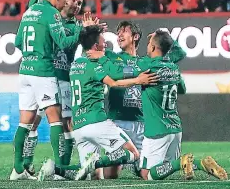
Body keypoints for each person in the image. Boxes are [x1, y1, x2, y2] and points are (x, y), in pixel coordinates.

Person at [36, 24, 157, 181]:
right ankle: (96, 162)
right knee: (133, 154)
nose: (106, 43)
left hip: (79, 126)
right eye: (103, 41)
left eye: (123, 32)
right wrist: (139, 80)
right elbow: (113, 82)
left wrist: (87, 29)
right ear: (95, 45)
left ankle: (55, 168)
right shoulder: (96, 63)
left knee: (93, 176)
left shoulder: (76, 64)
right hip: (97, 120)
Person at [88, 21, 186, 179]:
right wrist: (90, 30)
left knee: (144, 173)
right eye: (118, 32)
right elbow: (94, 52)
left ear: (135, 36)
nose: (119, 35)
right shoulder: (112, 57)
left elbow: (178, 54)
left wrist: (160, 34)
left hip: (142, 123)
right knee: (111, 174)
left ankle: (137, 166)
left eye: (124, 31)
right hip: (119, 121)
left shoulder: (146, 62)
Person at [10, 0, 81, 180]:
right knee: (55, 120)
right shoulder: (52, 13)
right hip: (43, 71)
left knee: (25, 122)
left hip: (25, 70)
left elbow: (17, 41)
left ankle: (18, 170)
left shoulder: (30, 11)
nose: (66, 2)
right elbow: (63, 42)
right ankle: (60, 168)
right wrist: (80, 31)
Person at [136, 30, 228, 181]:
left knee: (147, 174)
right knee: (167, 166)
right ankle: (201, 163)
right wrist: (167, 36)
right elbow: (182, 88)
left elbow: (124, 69)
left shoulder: (146, 64)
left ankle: (181, 162)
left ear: (153, 48)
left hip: (156, 129)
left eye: (149, 43)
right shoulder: (173, 68)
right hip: (174, 128)